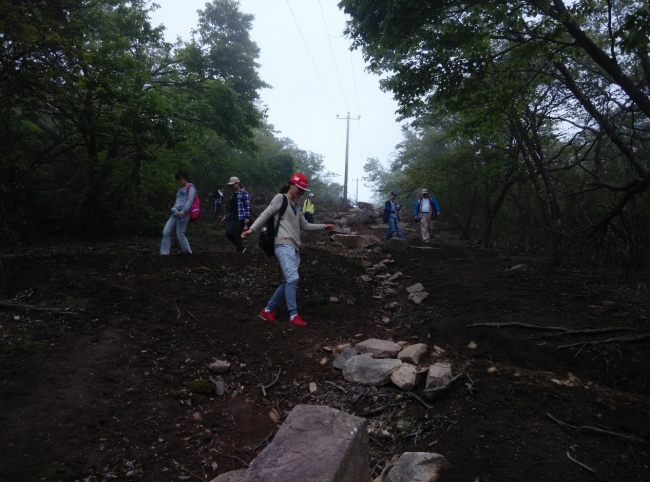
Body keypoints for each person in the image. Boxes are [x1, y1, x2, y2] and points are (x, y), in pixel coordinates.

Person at [242, 173, 335, 327]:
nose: (300, 192)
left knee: (288, 280)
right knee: (292, 279)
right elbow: (266, 214)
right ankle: (293, 314)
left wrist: (323, 226)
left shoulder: (296, 206)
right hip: (282, 244)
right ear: (291, 184)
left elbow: (305, 225)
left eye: (303, 190)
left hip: (294, 247)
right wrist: (252, 229)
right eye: (299, 188)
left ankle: (267, 310)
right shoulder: (281, 198)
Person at [160, 170, 196, 255]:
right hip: (175, 212)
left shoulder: (191, 187)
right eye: (178, 180)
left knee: (180, 234)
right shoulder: (180, 188)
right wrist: (174, 209)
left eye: (180, 179)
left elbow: (189, 201)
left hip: (183, 214)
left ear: (185, 178)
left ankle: (188, 253)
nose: (179, 181)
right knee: (166, 232)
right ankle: (164, 253)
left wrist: (183, 211)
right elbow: (178, 200)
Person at [223, 176, 251, 253]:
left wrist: (247, 217)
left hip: (241, 216)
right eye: (230, 185)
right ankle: (241, 248)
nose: (231, 187)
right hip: (233, 216)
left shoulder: (244, 193)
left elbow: (247, 206)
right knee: (228, 233)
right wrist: (226, 217)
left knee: (236, 233)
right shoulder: (232, 195)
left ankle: (240, 251)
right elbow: (231, 208)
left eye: (233, 185)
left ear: (237, 183)